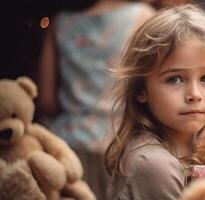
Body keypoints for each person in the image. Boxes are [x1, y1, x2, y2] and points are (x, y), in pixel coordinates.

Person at [104, 4, 205, 200]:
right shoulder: (153, 164)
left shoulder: (204, 147)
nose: (194, 94)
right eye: (174, 79)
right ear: (141, 89)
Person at [37, 1, 155, 199]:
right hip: (122, 146)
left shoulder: (60, 23)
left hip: (68, 150)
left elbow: (46, 100)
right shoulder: (143, 17)